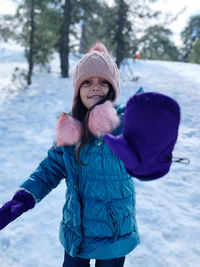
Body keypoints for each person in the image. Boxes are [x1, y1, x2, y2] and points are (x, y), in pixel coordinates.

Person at [0, 41, 180, 267]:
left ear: (113, 89)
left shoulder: (123, 126)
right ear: (77, 91)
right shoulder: (69, 132)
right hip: (76, 232)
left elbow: (144, 151)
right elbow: (48, 170)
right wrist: (24, 197)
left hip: (114, 234)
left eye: (103, 82)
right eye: (87, 82)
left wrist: (152, 144)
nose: (95, 87)